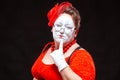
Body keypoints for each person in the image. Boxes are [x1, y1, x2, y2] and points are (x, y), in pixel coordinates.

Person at [31, 1, 96, 80]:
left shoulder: (82, 56)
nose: (62, 31)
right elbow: (37, 75)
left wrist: (61, 63)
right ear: (52, 28)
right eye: (58, 25)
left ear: (75, 32)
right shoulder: (48, 48)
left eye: (68, 27)